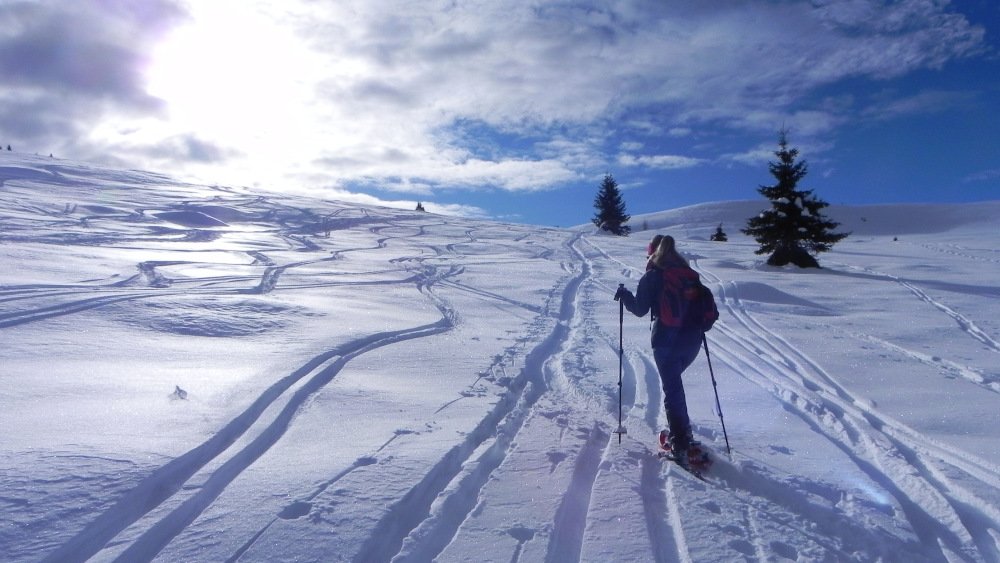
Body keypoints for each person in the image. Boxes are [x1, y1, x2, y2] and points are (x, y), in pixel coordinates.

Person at [615, 235, 718, 467]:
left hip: (665, 340)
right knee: (675, 388)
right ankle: (683, 434)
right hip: (692, 343)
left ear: (652, 254)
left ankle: (680, 443)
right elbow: (709, 313)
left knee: (672, 391)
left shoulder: (653, 276)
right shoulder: (689, 275)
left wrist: (625, 297)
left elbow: (640, 309)